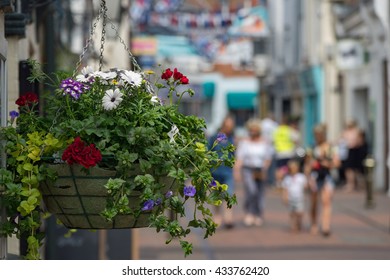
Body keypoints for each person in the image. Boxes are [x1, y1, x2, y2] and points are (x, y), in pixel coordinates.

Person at [234, 119, 272, 227]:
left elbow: (268, 158)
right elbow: (240, 157)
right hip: (248, 169)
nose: (253, 132)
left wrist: (265, 168)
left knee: (260, 193)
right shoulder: (245, 142)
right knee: (251, 190)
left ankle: (258, 213)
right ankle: (249, 212)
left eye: (255, 130)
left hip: (260, 169)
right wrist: (237, 171)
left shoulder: (265, 142)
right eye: (251, 130)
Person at [305, 124, 340, 237]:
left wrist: (328, 164)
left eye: (320, 134)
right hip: (314, 176)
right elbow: (307, 164)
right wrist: (308, 178)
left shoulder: (331, 147)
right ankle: (314, 224)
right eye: (316, 135)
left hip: (327, 176)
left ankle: (326, 226)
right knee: (314, 202)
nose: (318, 137)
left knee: (326, 201)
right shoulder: (312, 147)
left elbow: (337, 163)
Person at [208, 115, 236, 229]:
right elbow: (208, 150)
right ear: (224, 125)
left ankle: (228, 218)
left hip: (227, 172)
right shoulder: (214, 137)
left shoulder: (232, 138)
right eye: (229, 126)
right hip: (214, 172)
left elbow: (234, 154)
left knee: (228, 195)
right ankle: (217, 217)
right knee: (216, 195)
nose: (230, 128)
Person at [273, 116, 300, 189]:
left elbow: (272, 140)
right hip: (289, 152)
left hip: (279, 153)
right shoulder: (290, 130)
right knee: (288, 168)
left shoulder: (276, 130)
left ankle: (278, 183)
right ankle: (289, 182)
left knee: (279, 168)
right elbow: (296, 140)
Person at [282, 159, 308, 233]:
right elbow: (285, 189)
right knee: (292, 213)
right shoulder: (287, 178)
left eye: (294, 168)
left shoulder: (301, 177)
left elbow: (305, 187)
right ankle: (293, 226)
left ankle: (299, 223)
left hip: (299, 198)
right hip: (291, 198)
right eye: (291, 168)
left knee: (299, 212)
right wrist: (285, 197)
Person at [341, 120, 363, 192]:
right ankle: (351, 184)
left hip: (354, 151)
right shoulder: (346, 131)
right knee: (349, 169)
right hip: (348, 151)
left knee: (354, 169)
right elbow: (341, 139)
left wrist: (353, 143)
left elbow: (359, 141)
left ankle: (355, 184)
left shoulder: (356, 131)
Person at [261, 113, 278, 187]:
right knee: (272, 167)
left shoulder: (262, 123)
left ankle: (263, 180)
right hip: (271, 148)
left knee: (263, 165)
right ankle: (271, 181)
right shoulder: (274, 125)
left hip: (263, 148)